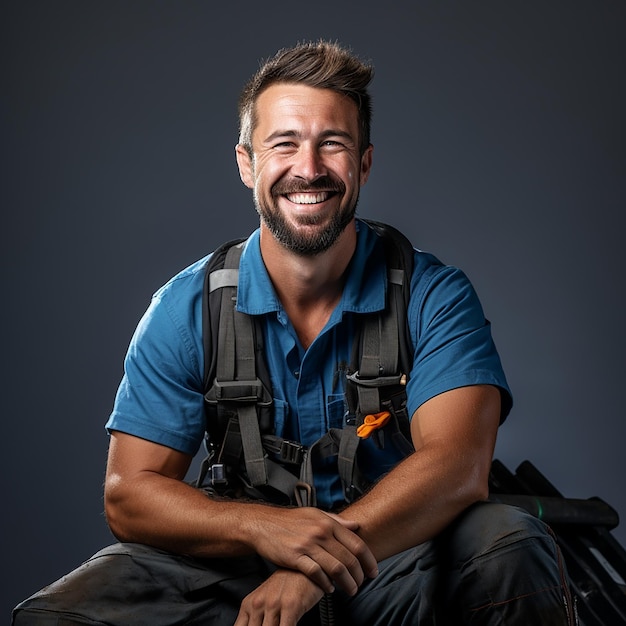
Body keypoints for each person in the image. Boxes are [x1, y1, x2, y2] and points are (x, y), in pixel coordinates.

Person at [13, 40, 576, 625]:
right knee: (59, 616)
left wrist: (311, 566)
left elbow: (459, 467)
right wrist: (263, 528)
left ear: (363, 163)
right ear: (247, 163)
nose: (308, 168)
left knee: (506, 541)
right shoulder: (183, 310)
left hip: (394, 568)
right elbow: (129, 493)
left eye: (332, 143)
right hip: (234, 572)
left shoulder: (435, 296)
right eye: (284, 143)